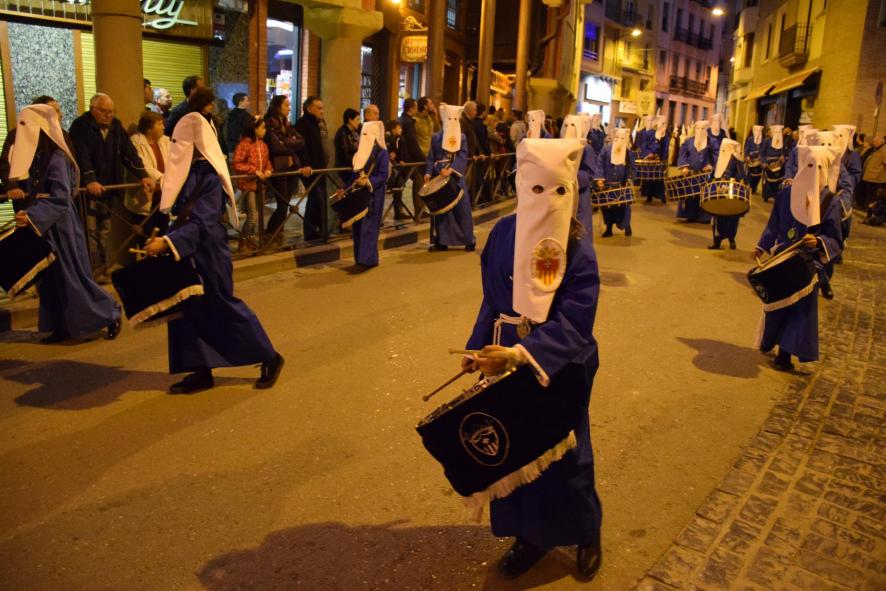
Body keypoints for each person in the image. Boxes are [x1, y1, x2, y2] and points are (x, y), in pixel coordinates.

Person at [462, 137, 602, 582]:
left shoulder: (576, 245)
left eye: (558, 190)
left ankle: (585, 532)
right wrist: (477, 348)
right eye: (536, 188)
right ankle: (529, 537)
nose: (547, 200)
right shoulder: (502, 233)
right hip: (503, 357)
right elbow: (491, 299)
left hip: (558, 363)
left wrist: (524, 353)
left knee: (566, 457)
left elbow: (577, 319)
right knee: (516, 454)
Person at [143, 112, 284, 393]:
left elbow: (203, 222)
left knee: (222, 306)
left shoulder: (207, 174)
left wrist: (168, 242)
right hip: (185, 251)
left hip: (209, 254)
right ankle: (200, 370)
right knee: (187, 312)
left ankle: (269, 356)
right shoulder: (186, 170)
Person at [9, 104, 121, 343]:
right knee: (50, 280)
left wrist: (33, 215)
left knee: (72, 277)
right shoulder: (38, 156)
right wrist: (27, 213)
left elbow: (60, 197)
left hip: (61, 226)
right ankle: (61, 326)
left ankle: (109, 314)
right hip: (44, 225)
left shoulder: (57, 156)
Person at [754, 145, 844, 372]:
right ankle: (769, 340)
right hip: (781, 259)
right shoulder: (785, 195)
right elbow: (774, 225)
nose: (813, 172)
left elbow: (834, 237)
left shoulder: (830, 202)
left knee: (798, 312)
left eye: (819, 167)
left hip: (807, 265)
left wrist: (819, 241)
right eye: (809, 165)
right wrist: (761, 246)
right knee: (776, 306)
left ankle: (784, 355)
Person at [69, 93, 154, 277]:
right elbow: (82, 155)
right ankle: (91, 271)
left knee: (104, 231)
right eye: (104, 111)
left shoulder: (116, 125)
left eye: (111, 111)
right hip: (88, 191)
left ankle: (101, 266)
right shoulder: (80, 126)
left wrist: (143, 175)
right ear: (93, 109)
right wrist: (90, 179)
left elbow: (129, 153)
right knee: (90, 232)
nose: (108, 115)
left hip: (108, 188)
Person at [1, 96, 74, 211]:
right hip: (25, 195)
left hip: (54, 196)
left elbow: (70, 164)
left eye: (59, 111)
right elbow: (6, 163)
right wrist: (12, 186)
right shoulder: (17, 135)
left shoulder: (62, 136)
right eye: (55, 111)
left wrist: (69, 188)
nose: (61, 115)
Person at [339, 121, 389, 270]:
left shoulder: (381, 153)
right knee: (358, 227)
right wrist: (345, 189)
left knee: (369, 227)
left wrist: (368, 181)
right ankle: (361, 259)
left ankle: (366, 261)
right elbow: (354, 174)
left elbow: (383, 175)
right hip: (359, 194)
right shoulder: (360, 152)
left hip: (374, 195)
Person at [424, 104, 475, 252]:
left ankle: (468, 239)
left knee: (462, 209)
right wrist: (428, 172)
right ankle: (442, 241)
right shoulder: (436, 137)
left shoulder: (462, 138)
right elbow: (431, 157)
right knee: (442, 211)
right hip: (439, 176)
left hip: (455, 177)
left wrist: (451, 170)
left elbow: (463, 155)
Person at [263, 95, 310, 244]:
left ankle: (277, 233)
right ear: (278, 107)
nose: (289, 108)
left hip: (291, 167)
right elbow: (275, 147)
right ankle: (271, 232)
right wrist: (291, 144)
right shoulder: (269, 123)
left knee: (285, 203)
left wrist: (285, 142)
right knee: (282, 205)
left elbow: (301, 141)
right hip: (278, 168)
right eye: (286, 105)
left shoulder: (287, 123)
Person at [232, 116, 272, 252]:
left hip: (260, 185)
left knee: (258, 215)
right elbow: (236, 163)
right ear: (254, 129)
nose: (265, 130)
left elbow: (267, 162)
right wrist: (254, 171)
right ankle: (243, 241)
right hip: (248, 185)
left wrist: (268, 170)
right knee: (252, 216)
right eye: (263, 128)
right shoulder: (244, 145)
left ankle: (250, 240)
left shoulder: (263, 145)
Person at [128, 111, 171, 241]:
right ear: (148, 128)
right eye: (159, 124)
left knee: (163, 230)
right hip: (146, 194)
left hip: (163, 195)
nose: (163, 127)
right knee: (145, 232)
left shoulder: (165, 141)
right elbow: (143, 165)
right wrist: (162, 178)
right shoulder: (136, 142)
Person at [293, 96, 330, 241]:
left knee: (320, 199)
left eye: (323, 108)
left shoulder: (320, 123)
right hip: (311, 169)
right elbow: (302, 148)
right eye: (319, 108)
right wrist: (306, 164)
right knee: (316, 198)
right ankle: (311, 232)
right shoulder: (302, 124)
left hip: (321, 168)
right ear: (309, 109)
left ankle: (319, 230)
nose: (322, 111)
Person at [707, 138, 746, 250]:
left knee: (732, 218)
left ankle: (731, 240)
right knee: (718, 218)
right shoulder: (720, 160)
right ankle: (717, 242)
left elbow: (742, 177)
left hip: (732, 195)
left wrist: (731, 184)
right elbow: (714, 174)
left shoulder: (737, 161)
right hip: (719, 194)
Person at [595, 128, 634, 237]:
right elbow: (600, 164)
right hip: (608, 184)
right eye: (617, 137)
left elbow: (632, 167)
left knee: (624, 207)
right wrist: (600, 178)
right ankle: (609, 228)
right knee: (608, 207)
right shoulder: (606, 150)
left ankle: (627, 226)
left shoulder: (628, 152)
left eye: (622, 138)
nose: (619, 140)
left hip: (622, 185)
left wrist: (629, 178)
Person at [561, 114, 597, 231]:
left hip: (579, 194)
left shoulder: (586, 148)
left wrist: (571, 178)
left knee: (579, 228)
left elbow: (589, 173)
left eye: (573, 125)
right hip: (561, 193)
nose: (568, 129)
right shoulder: (559, 146)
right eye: (566, 125)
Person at [676, 121, 714, 223]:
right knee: (690, 195)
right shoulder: (688, 141)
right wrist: (684, 166)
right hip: (691, 173)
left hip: (705, 175)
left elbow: (715, 156)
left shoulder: (711, 142)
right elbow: (682, 154)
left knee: (704, 195)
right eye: (698, 128)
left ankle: (704, 218)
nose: (700, 131)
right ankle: (690, 215)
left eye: (703, 129)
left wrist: (710, 165)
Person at [399, 98, 425, 216]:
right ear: (411, 108)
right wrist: (423, 159)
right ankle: (419, 211)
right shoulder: (408, 123)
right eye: (415, 107)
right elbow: (412, 144)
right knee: (419, 180)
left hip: (402, 158)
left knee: (399, 183)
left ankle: (399, 211)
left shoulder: (401, 119)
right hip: (407, 160)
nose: (417, 109)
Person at [637, 115, 669, 204]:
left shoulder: (664, 133)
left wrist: (661, 156)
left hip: (659, 159)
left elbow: (665, 146)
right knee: (648, 178)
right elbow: (643, 145)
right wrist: (648, 154)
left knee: (660, 178)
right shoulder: (645, 132)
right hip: (649, 158)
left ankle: (662, 196)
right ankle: (649, 196)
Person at [334, 108, 361, 184]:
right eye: (357, 119)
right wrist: (356, 164)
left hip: (354, 166)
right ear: (350, 120)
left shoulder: (356, 132)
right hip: (345, 168)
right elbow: (345, 154)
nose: (359, 122)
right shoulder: (342, 133)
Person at [760, 124, 785, 203]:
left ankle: (775, 195)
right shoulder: (766, 140)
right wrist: (763, 161)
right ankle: (766, 196)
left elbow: (783, 151)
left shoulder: (781, 141)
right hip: (768, 163)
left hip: (778, 163)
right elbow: (762, 152)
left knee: (777, 181)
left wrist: (782, 156)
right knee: (768, 180)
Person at [859, 136, 884, 210]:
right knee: (868, 194)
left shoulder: (884, 149)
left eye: (876, 142)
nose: (874, 143)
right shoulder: (876, 149)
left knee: (872, 195)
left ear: (881, 142)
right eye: (874, 142)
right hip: (870, 176)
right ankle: (865, 207)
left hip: (876, 177)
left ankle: (868, 209)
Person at [224, 93, 253, 158]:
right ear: (240, 102)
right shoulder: (245, 116)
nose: (249, 103)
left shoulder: (230, 114)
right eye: (247, 100)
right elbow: (249, 131)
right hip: (241, 148)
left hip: (230, 147)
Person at [744, 125, 765, 194]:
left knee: (758, 175)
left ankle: (754, 188)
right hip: (751, 160)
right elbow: (746, 148)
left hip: (759, 161)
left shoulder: (763, 140)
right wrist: (747, 156)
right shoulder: (750, 139)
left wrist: (762, 157)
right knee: (750, 175)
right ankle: (749, 188)